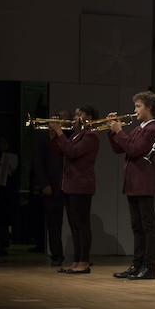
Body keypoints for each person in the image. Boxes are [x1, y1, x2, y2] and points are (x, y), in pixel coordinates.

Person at [108, 92, 155, 280]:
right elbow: (119, 148)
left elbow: (134, 149)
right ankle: (137, 264)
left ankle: (149, 267)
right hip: (132, 183)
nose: (134, 110)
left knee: (148, 227)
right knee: (137, 227)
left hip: (143, 182)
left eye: (138, 106)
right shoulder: (140, 128)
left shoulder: (152, 129)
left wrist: (119, 131)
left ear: (149, 107)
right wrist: (112, 131)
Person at [50, 104, 100, 274]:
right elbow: (60, 151)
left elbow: (72, 152)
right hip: (70, 185)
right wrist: (54, 135)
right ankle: (77, 261)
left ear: (89, 118)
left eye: (79, 115)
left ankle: (84, 262)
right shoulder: (77, 135)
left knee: (82, 225)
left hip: (81, 185)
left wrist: (59, 132)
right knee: (74, 225)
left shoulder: (90, 136)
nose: (74, 118)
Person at [31, 108, 71, 266]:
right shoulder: (42, 137)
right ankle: (57, 255)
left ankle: (81, 257)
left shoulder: (69, 135)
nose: (65, 122)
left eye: (66, 120)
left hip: (68, 184)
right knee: (54, 224)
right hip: (51, 186)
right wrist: (44, 184)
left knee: (75, 221)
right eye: (62, 119)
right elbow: (37, 163)